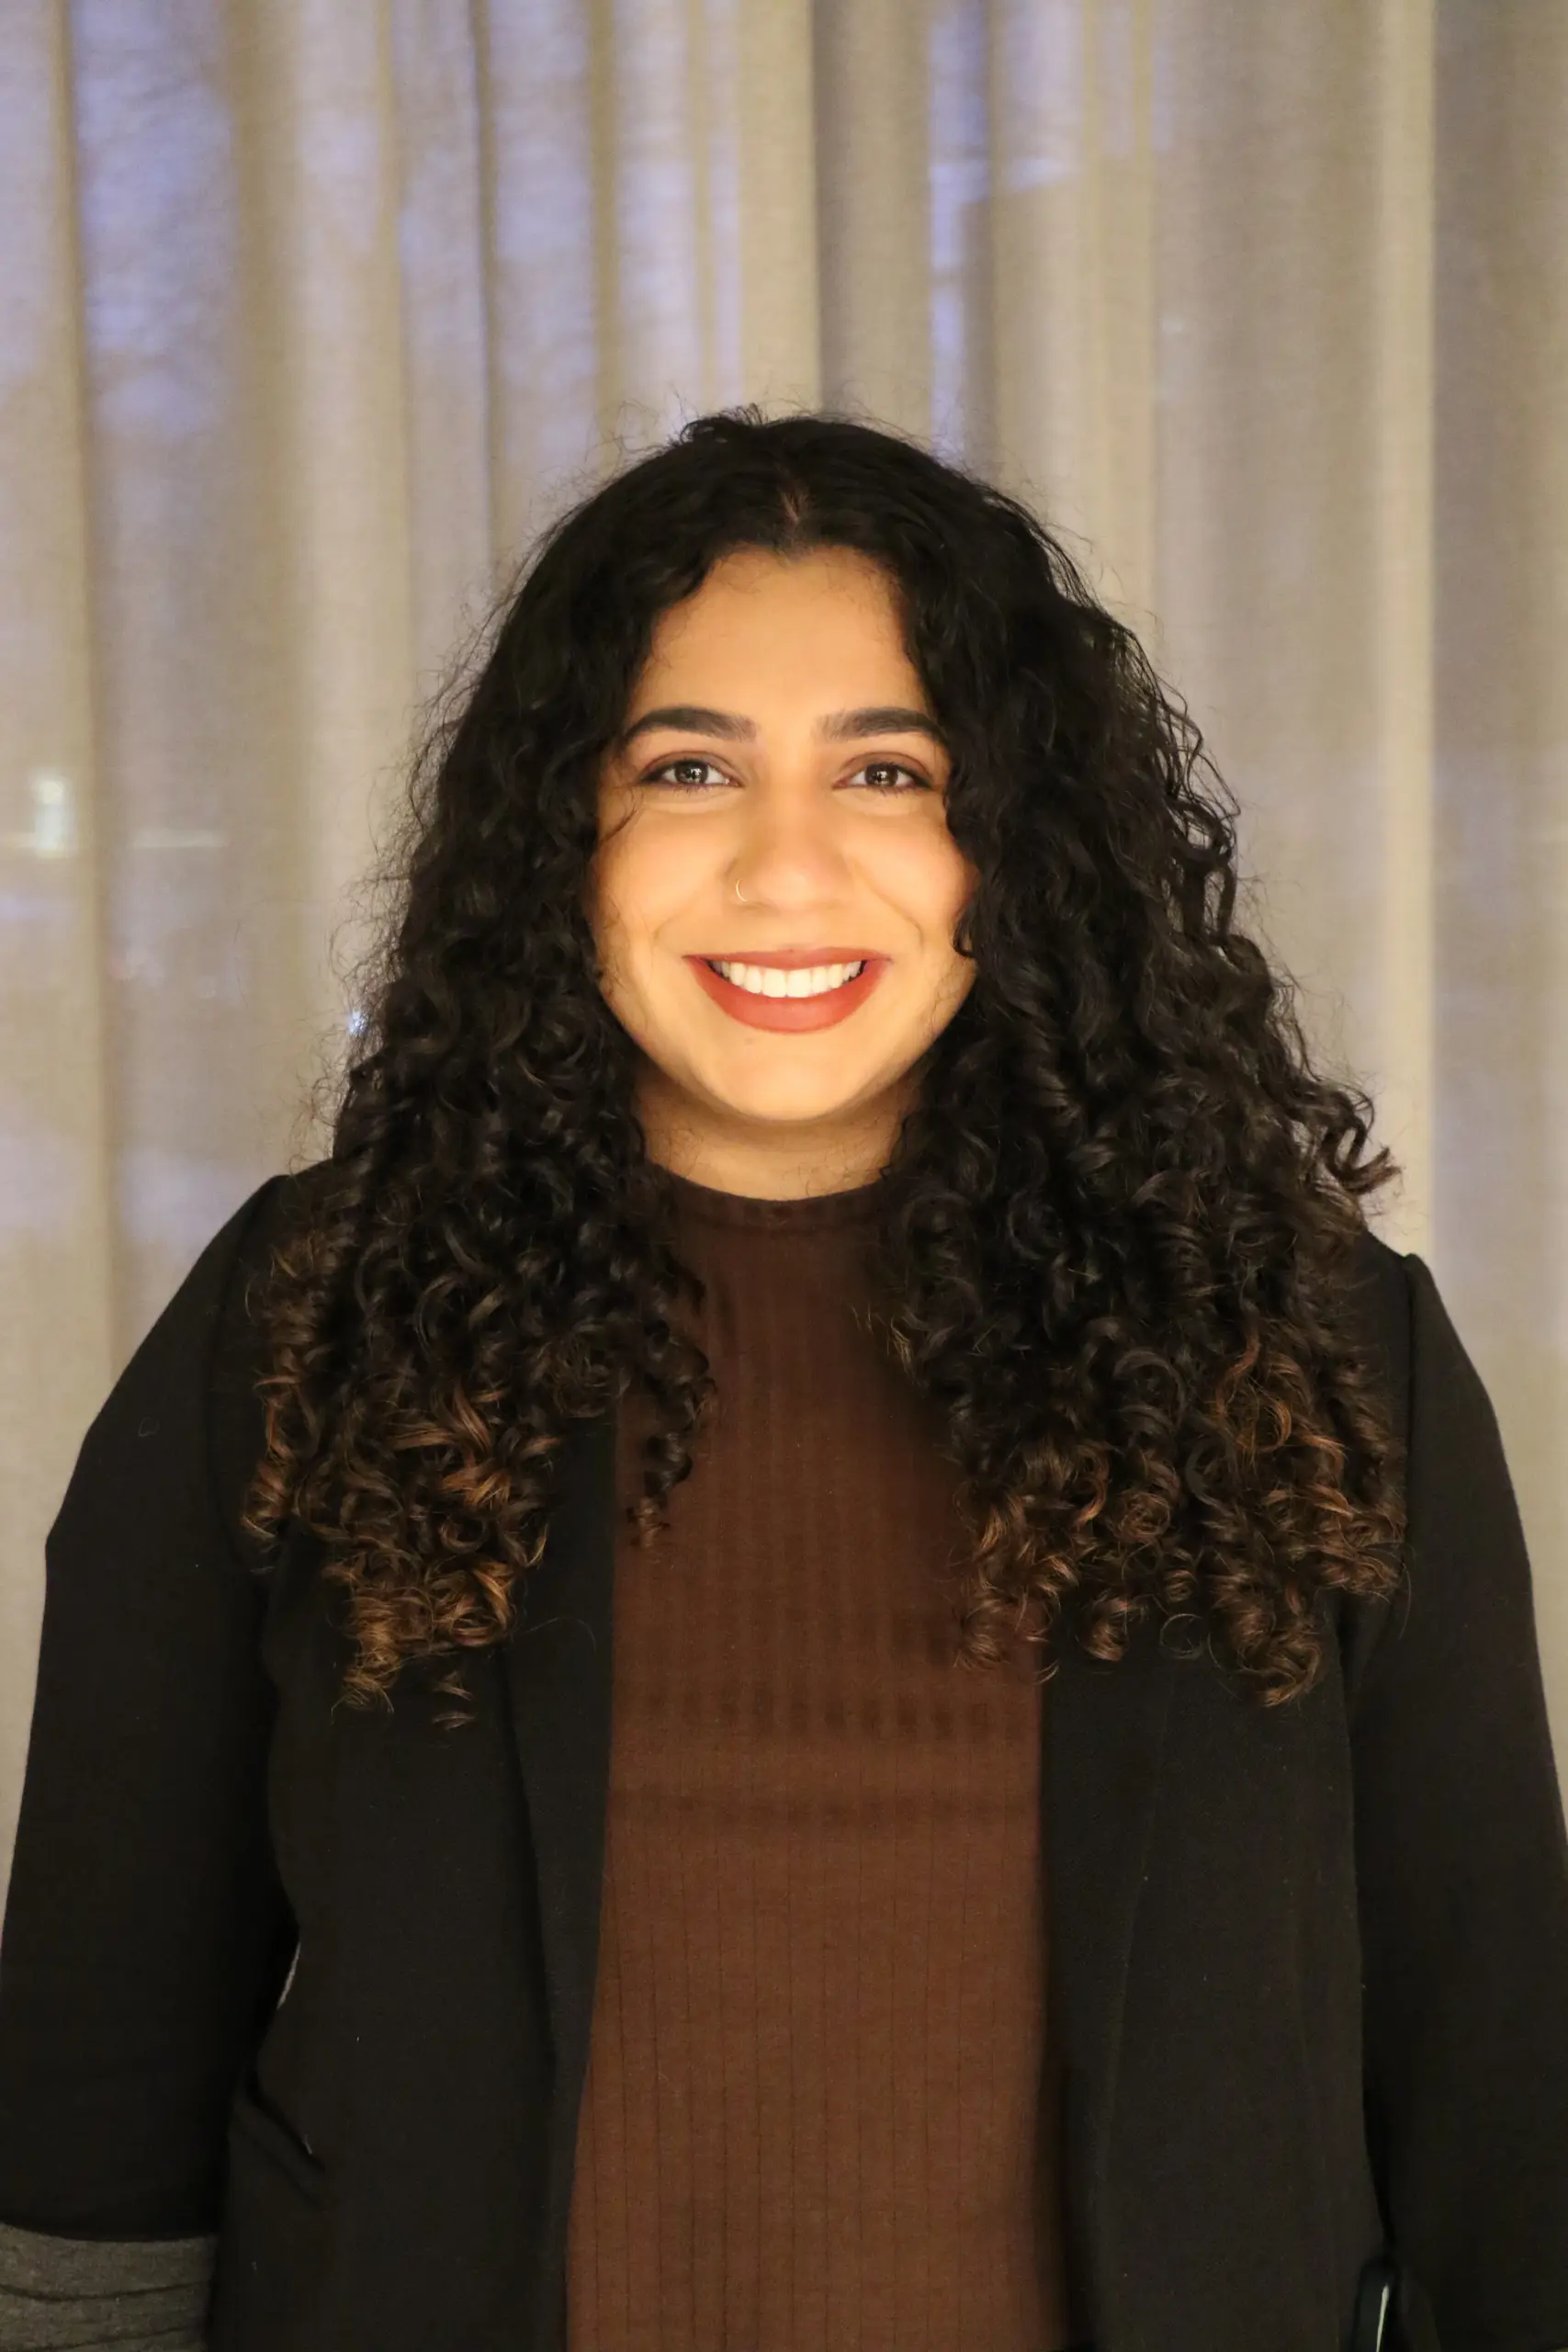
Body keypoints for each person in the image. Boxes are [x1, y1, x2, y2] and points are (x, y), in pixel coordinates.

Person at [1, 410, 1565, 2352]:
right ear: (562, 838)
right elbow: (96, 2084)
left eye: (889, 768)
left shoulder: (1307, 1350)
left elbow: (1500, 2078)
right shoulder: (311, 1319)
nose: (786, 861)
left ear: (1016, 846)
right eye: (686, 765)